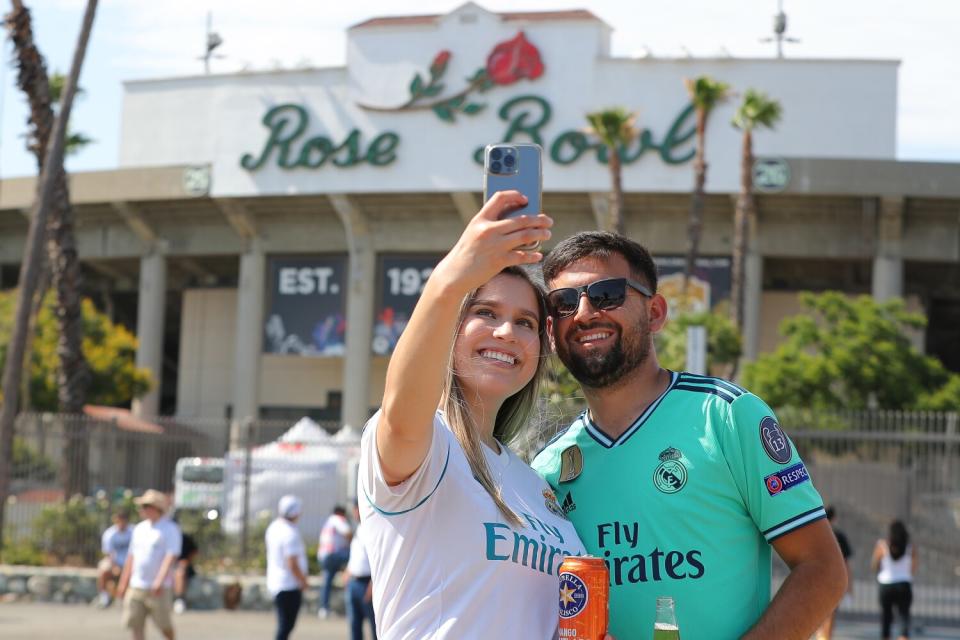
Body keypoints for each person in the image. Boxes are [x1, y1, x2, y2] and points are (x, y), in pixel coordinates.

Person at [531, 231, 847, 640]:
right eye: (564, 303)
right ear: (552, 334)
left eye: (607, 294)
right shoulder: (548, 469)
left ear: (656, 312)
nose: (586, 312)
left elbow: (822, 570)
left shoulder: (727, 416)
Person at [358, 191, 588, 638]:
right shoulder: (427, 446)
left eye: (525, 322)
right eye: (485, 312)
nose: (507, 332)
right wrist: (449, 281)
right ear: (451, 327)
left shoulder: (534, 483)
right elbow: (401, 411)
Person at [117, 490, 182, 640]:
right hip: (137, 584)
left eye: (145, 506)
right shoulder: (139, 529)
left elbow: (170, 556)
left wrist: (159, 581)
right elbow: (131, 558)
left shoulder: (169, 529)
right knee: (135, 624)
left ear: (156, 508)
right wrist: (123, 583)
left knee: (164, 625)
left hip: (158, 587)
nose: (142, 509)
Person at [266, 495, 309, 640]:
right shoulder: (290, 533)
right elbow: (292, 562)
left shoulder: (274, 527)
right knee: (286, 626)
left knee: (284, 625)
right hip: (289, 585)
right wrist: (302, 581)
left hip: (276, 582)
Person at [871, 519, 917, 640]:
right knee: (903, 618)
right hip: (904, 584)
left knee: (886, 618)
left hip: (886, 584)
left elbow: (875, 564)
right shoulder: (910, 547)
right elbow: (913, 567)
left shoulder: (882, 545)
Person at [817, 505, 854, 640]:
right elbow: (846, 563)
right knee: (831, 611)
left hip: (817, 578)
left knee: (819, 611)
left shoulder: (816, 534)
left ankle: (821, 635)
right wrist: (849, 587)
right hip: (833, 578)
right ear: (835, 518)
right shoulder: (839, 536)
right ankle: (826, 636)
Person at [344, 500, 376, 640]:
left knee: (375, 627)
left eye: (356, 508)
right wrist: (348, 572)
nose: (354, 512)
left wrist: (373, 584)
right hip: (354, 582)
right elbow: (357, 556)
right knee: (354, 626)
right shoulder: (358, 528)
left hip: (366, 583)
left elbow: (377, 560)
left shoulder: (372, 529)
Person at [317, 504, 352, 618]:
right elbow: (347, 532)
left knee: (327, 582)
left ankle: (324, 608)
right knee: (357, 558)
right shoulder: (337, 519)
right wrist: (354, 543)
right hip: (333, 555)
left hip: (324, 556)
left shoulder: (328, 522)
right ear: (341, 513)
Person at [97, 510, 132, 607]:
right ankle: (104, 597)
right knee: (103, 570)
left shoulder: (133, 532)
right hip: (114, 562)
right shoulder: (109, 533)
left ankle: (124, 598)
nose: (120, 523)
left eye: (123, 520)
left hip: (130, 563)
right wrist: (114, 566)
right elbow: (109, 553)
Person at [173, 529, 198, 614]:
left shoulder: (184, 537)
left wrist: (187, 561)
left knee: (180, 572)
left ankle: (179, 599)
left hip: (181, 567)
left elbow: (194, 551)